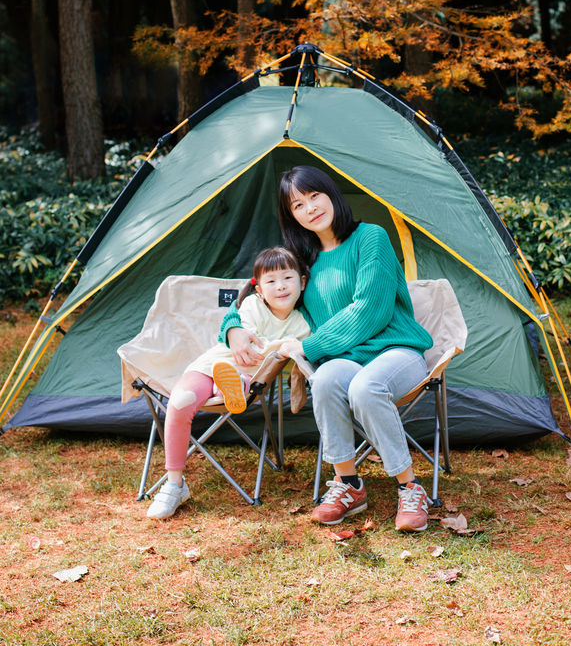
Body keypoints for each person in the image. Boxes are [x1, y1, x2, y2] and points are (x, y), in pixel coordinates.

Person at [221, 165, 434, 533]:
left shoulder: (371, 238)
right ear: (292, 216)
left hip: (397, 350)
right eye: (297, 205)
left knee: (366, 388)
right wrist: (234, 329)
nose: (310, 209)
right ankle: (349, 485)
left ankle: (410, 488)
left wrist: (307, 345)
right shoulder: (301, 261)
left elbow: (371, 308)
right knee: (325, 381)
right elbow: (256, 292)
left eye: (314, 196)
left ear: (331, 194)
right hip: (346, 359)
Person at [146, 246, 309, 519]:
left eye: (287, 278)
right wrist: (282, 345)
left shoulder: (302, 323)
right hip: (212, 365)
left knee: (241, 380)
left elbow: (296, 355)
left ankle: (232, 387)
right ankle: (174, 484)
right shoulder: (252, 306)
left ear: (302, 282)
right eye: (271, 281)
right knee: (180, 401)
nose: (280, 287)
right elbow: (252, 344)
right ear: (259, 289)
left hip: (253, 377)